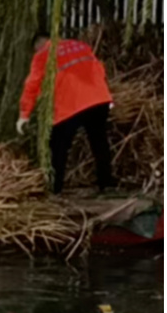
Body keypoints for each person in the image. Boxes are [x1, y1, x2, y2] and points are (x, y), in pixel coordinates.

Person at [16, 31, 115, 194]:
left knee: (58, 147)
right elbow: (99, 69)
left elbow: (32, 85)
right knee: (100, 143)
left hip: (71, 105)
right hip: (99, 100)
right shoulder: (81, 46)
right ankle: (107, 184)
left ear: (38, 45)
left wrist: (24, 115)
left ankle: (55, 189)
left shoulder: (43, 54)